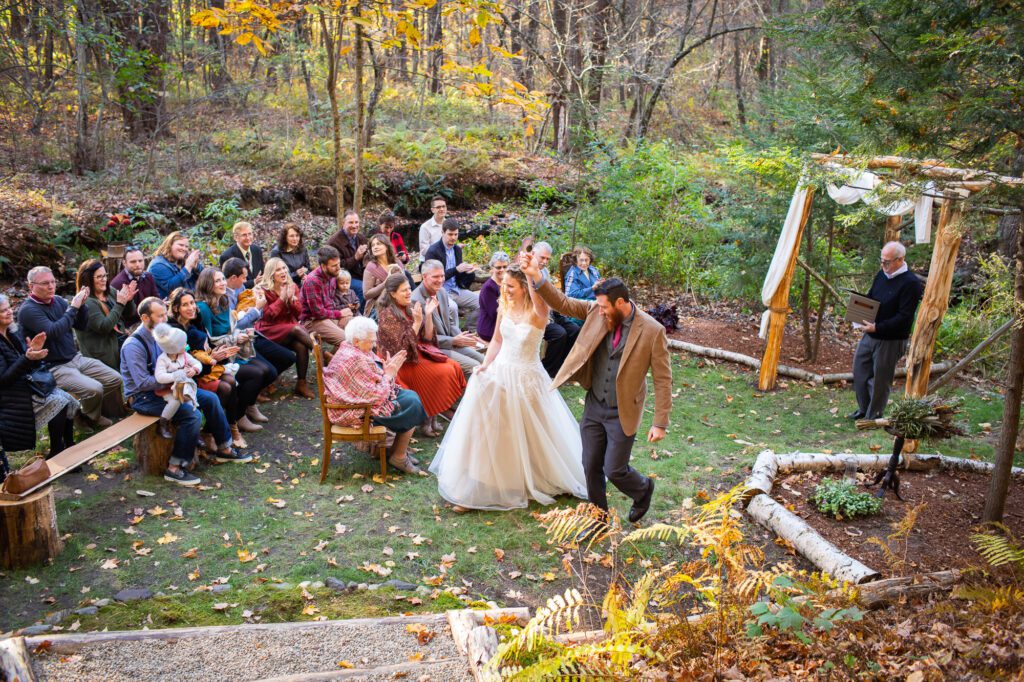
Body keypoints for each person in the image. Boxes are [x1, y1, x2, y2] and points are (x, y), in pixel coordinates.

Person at [524, 255, 673, 527]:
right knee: (590, 465)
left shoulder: (653, 331)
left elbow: (663, 379)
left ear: (620, 303)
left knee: (615, 469)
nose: (600, 310)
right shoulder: (595, 311)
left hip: (623, 409)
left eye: (605, 306)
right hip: (595, 404)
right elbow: (563, 303)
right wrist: (536, 276)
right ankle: (599, 520)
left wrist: (660, 422)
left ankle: (642, 489)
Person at [429, 264, 588, 512]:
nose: (505, 289)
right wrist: (485, 365)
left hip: (527, 376)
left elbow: (540, 304)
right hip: (501, 371)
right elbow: (497, 340)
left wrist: (531, 273)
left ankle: (539, 477)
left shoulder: (538, 312)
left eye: (511, 286)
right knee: (489, 426)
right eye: (504, 285)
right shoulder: (504, 305)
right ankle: (479, 486)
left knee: (531, 433)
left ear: (525, 288)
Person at [122, 297, 248, 486]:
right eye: (160, 316)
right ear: (144, 317)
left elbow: (184, 356)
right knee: (192, 415)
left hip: (173, 386)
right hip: (143, 397)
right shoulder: (134, 345)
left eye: (166, 314)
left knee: (211, 399)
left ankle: (224, 448)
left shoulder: (164, 335)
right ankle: (174, 468)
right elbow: (142, 383)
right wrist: (178, 376)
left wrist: (193, 369)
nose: (165, 319)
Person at [17, 266, 124, 429]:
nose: (51, 286)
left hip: (75, 357)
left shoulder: (59, 301)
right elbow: (53, 331)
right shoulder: (28, 310)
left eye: (53, 282)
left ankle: (84, 414)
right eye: (45, 283)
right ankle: (90, 418)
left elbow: (80, 325)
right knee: (95, 388)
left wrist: (82, 306)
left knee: (115, 378)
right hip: (53, 366)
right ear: (31, 286)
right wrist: (73, 307)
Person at [322, 317, 428, 475]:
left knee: (410, 397)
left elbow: (372, 379)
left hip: (363, 403)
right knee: (412, 403)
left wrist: (386, 370)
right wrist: (390, 374)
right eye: (371, 341)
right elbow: (375, 395)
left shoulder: (350, 347)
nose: (374, 344)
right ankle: (398, 456)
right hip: (355, 412)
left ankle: (398, 451)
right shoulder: (353, 358)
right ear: (357, 340)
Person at [375, 274, 466, 437]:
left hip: (416, 354)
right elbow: (400, 349)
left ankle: (433, 415)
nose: (409, 292)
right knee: (441, 373)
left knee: (453, 366)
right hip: (400, 363)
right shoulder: (387, 315)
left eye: (409, 288)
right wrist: (416, 324)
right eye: (404, 290)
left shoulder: (409, 307)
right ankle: (426, 419)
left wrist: (428, 314)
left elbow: (427, 337)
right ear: (392, 294)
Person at [0, 294, 78, 471]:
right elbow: (3, 380)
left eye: (8, 308)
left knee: (70, 400)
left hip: (25, 387)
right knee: (59, 402)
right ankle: (57, 451)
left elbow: (27, 364)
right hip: (10, 398)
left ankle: (70, 447)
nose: (9, 312)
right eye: (3, 311)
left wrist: (34, 354)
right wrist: (28, 357)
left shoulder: (13, 332)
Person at [849, 241, 925, 420]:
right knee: (859, 372)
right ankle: (863, 409)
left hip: (891, 339)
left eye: (887, 262)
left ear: (900, 260)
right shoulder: (881, 275)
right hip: (870, 334)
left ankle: (873, 415)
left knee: (880, 381)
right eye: (882, 261)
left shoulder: (911, 283)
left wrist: (878, 327)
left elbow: (904, 317)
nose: (883, 265)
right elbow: (872, 298)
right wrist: (857, 312)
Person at [168, 288, 251, 449]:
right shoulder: (174, 330)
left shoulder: (194, 322)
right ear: (176, 308)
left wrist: (216, 356)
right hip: (186, 378)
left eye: (192, 303)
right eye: (185, 305)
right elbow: (184, 361)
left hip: (201, 370)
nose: (191, 307)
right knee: (225, 387)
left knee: (230, 380)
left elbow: (206, 350)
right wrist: (212, 359)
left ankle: (227, 428)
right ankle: (212, 431)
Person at [195, 268, 276, 431]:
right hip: (216, 358)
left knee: (267, 371)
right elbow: (207, 340)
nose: (222, 283)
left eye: (222, 279)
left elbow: (231, 329)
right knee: (257, 373)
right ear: (207, 284)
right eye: (217, 281)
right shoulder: (203, 308)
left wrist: (242, 333)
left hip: (233, 350)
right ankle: (239, 417)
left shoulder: (223, 301)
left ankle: (248, 405)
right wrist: (234, 338)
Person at [222, 257, 296, 400]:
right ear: (233, 278)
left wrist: (258, 303)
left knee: (288, 357)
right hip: (239, 341)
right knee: (268, 371)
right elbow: (234, 326)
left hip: (253, 333)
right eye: (243, 277)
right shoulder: (224, 298)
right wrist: (257, 309)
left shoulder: (241, 289)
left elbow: (255, 314)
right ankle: (249, 399)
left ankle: (256, 390)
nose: (245, 281)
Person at [412, 259, 484, 377]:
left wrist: (462, 337)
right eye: (435, 277)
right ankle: (466, 395)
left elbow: (449, 322)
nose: (440, 280)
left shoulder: (442, 291)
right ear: (424, 276)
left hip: (449, 343)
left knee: (483, 360)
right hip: (432, 349)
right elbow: (423, 339)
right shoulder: (415, 300)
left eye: (442, 276)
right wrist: (454, 340)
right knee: (474, 367)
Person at [256, 257, 315, 398]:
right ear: (271, 274)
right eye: (278, 269)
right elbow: (267, 316)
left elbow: (299, 313)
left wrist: (292, 301)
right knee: (295, 328)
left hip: (288, 329)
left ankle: (301, 384)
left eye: (284, 268)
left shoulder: (292, 286)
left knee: (301, 346)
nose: (283, 272)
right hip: (268, 330)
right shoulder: (263, 290)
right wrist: (281, 299)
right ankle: (318, 351)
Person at [524, 241, 580, 377]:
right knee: (559, 334)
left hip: (551, 311)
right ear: (533, 254)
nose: (544, 261)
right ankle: (548, 371)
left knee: (574, 330)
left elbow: (550, 294)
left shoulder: (544, 271)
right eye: (542, 257)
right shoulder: (525, 271)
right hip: (534, 314)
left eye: (548, 259)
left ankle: (562, 366)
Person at [73, 258, 137, 370]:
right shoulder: (86, 301)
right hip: (103, 352)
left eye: (105, 275)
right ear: (87, 279)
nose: (104, 280)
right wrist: (120, 304)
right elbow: (104, 327)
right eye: (99, 277)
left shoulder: (109, 291)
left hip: (120, 340)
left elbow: (130, 313)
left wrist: (129, 300)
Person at [421, 219, 480, 331]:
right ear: (442, 233)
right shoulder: (433, 251)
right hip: (439, 291)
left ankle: (468, 329)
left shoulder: (457, 249)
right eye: (450, 234)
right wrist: (457, 269)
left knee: (481, 301)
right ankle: (455, 337)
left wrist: (468, 273)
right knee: (452, 308)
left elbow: (459, 277)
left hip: (456, 289)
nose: (453, 237)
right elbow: (433, 278)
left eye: (456, 234)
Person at [152, 323, 202, 439]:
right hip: (168, 389)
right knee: (176, 401)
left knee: (190, 403)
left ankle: (194, 432)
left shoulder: (184, 355)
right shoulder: (163, 359)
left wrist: (194, 370)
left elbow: (197, 363)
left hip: (183, 386)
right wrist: (175, 375)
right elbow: (159, 377)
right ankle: (163, 423)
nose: (186, 345)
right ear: (173, 347)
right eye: (183, 344)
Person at [300, 246, 353, 350]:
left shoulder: (332, 274)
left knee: (361, 330)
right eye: (334, 266)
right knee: (347, 339)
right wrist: (340, 313)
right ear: (323, 266)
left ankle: (331, 359)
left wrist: (345, 309)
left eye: (338, 264)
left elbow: (333, 300)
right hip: (313, 321)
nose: (338, 268)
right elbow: (318, 313)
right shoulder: (312, 281)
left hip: (330, 316)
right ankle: (333, 363)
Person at [326, 210, 367, 305]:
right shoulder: (334, 242)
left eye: (356, 222)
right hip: (342, 278)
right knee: (363, 288)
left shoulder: (361, 238)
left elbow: (368, 259)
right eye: (351, 222)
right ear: (343, 223)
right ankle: (358, 315)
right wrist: (355, 258)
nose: (354, 225)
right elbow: (336, 267)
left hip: (362, 274)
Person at [110, 246, 158, 328]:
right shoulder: (118, 283)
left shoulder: (148, 277)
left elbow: (156, 298)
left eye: (140, 261)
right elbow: (123, 314)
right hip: (130, 326)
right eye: (133, 262)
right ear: (124, 263)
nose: (138, 265)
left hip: (149, 318)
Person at [149, 231, 203, 298]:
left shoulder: (182, 261)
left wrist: (196, 266)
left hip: (192, 301)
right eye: (180, 245)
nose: (184, 249)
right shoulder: (157, 265)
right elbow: (172, 288)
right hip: (171, 305)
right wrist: (188, 267)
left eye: (186, 246)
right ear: (170, 245)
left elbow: (205, 278)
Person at [362, 234, 406, 314]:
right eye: (373, 245)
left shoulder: (397, 263)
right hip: (379, 306)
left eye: (378, 244)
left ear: (386, 246)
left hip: (399, 301)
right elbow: (366, 294)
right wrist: (385, 283)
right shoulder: (371, 267)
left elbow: (405, 283)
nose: (375, 247)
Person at [219, 221, 265, 288]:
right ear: (236, 237)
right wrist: (254, 282)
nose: (248, 238)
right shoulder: (227, 256)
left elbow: (262, 272)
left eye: (250, 234)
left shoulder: (257, 250)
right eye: (244, 235)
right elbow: (229, 284)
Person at [476, 251, 509, 343]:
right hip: (490, 329)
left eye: (505, 267)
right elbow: (495, 314)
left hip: (502, 324)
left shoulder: (507, 283)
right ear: (492, 268)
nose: (502, 270)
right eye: (498, 267)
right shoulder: (489, 287)